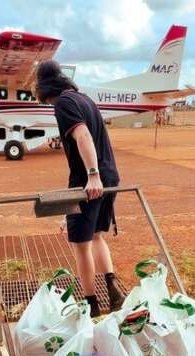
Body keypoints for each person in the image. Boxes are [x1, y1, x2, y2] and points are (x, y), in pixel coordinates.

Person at [35, 60, 126, 316]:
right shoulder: (84, 99)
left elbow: (83, 135)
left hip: (90, 180)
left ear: (43, 87)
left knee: (81, 244)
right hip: (109, 176)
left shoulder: (63, 103)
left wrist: (92, 175)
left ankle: (90, 305)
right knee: (96, 236)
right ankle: (114, 292)